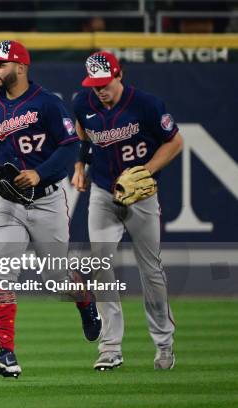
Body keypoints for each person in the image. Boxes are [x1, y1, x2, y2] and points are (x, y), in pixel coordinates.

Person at [0, 40, 102, 378]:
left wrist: (40, 172)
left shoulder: (48, 103)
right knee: (1, 274)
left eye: (0, 64)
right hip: (9, 203)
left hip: (46, 200)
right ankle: (7, 353)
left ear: (20, 66)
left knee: (56, 279)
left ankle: (85, 300)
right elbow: (0, 145)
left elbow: (71, 146)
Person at [71, 51, 183, 370]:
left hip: (140, 196)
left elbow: (174, 143)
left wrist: (145, 171)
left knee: (151, 270)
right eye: (95, 85)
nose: (100, 90)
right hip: (104, 191)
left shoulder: (146, 104)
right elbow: (82, 135)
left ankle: (164, 344)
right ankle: (110, 347)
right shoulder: (83, 102)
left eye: (105, 83)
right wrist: (80, 166)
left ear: (119, 76)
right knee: (100, 263)